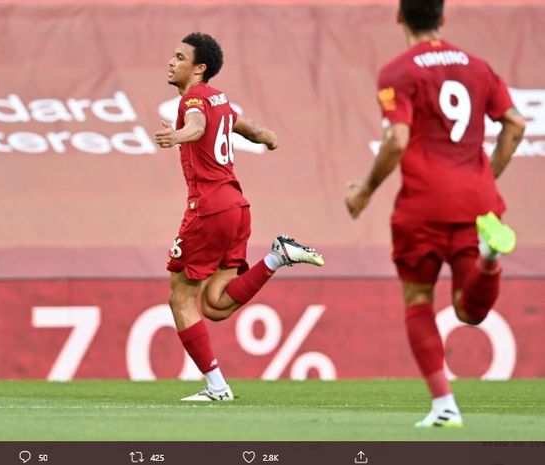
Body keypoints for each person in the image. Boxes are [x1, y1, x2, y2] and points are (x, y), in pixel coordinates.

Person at [345, 0, 525, 427]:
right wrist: (488, 176)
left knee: (419, 299)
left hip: (423, 205)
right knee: (469, 311)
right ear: (443, 18)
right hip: (476, 203)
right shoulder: (478, 67)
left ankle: (444, 405)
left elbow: (396, 140)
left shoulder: (398, 71)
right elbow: (515, 124)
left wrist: (365, 191)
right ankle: (491, 257)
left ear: (399, 17)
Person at [154, 32, 324, 402]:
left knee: (180, 298)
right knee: (215, 305)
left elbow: (197, 126)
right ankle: (279, 255)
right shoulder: (220, 100)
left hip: (209, 209)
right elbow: (252, 129)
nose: (171, 61)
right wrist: (269, 138)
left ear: (199, 68)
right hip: (237, 208)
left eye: (180, 57)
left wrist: (178, 136)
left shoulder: (195, 99)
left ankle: (217, 387)